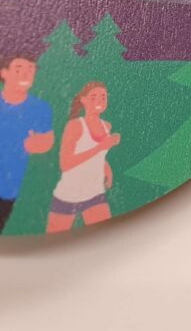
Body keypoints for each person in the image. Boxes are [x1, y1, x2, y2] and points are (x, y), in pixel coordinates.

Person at [47, 81, 120, 233]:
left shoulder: (106, 126)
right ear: (84, 100)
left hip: (94, 192)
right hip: (68, 194)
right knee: (54, 245)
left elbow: (98, 156)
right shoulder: (75, 126)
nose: (99, 101)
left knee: (105, 239)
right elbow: (66, 164)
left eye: (103, 97)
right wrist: (101, 146)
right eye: (94, 97)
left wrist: (107, 168)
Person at [0, 55, 54, 233]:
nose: (25, 75)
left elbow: (47, 141)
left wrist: (36, 144)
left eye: (30, 70)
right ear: (4, 73)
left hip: (9, 188)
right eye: (18, 69)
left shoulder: (40, 108)